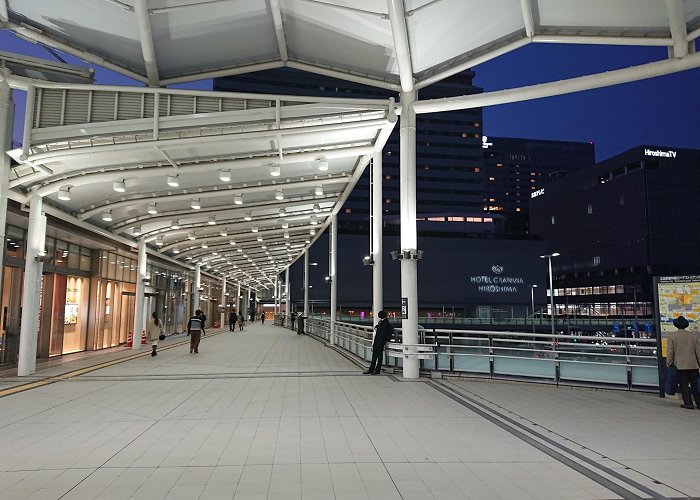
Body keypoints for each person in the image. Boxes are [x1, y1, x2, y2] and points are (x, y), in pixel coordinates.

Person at [666, 315, 700, 409]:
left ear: (676, 325)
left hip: (680, 365)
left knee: (683, 384)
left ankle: (688, 403)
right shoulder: (694, 336)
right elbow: (698, 351)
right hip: (693, 365)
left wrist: (669, 362)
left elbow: (670, 351)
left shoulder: (672, 336)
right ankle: (699, 403)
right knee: (695, 385)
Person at [364, 310, 394, 375]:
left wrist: (381, 341)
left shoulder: (385, 323)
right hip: (377, 340)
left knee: (379, 356)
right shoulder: (382, 322)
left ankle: (377, 369)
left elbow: (383, 333)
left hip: (380, 341)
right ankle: (371, 369)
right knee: (374, 355)